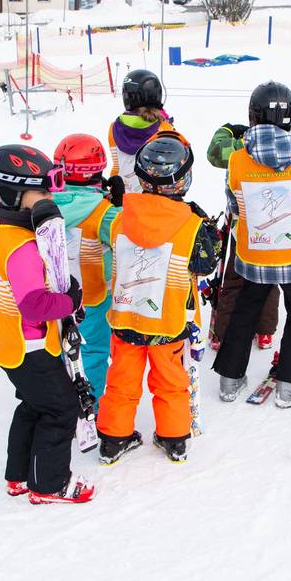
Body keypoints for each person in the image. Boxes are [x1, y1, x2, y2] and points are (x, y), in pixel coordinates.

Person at [0, 145, 96, 503]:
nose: (51, 198)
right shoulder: (22, 246)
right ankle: (49, 483)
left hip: (8, 342)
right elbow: (33, 304)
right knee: (60, 408)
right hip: (28, 346)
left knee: (33, 404)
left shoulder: (1, 232)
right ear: (15, 194)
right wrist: (71, 301)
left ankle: (18, 475)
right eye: (42, 191)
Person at [96, 133, 219, 464]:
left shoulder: (120, 217)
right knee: (170, 381)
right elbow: (207, 264)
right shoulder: (192, 224)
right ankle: (174, 437)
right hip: (168, 320)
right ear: (184, 180)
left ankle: (112, 439)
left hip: (126, 316)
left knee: (121, 380)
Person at [213, 82, 291, 408]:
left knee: (245, 311)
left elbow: (234, 208)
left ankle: (229, 378)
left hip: (254, 254)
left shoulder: (237, 162)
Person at [52, 133, 120, 399]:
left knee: (59, 348)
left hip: (55, 295)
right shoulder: (104, 213)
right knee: (93, 351)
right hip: (93, 297)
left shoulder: (44, 204)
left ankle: (62, 400)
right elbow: (127, 235)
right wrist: (119, 204)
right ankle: (91, 407)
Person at [206, 122, 281, 350]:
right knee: (269, 276)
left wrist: (228, 130)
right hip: (274, 223)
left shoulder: (244, 146)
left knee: (235, 277)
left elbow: (215, 152)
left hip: (244, 225)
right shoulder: (285, 146)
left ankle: (223, 331)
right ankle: (265, 331)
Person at [108, 69, 173, 194]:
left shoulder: (114, 128)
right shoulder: (165, 129)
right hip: (152, 197)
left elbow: (117, 166)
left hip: (123, 197)